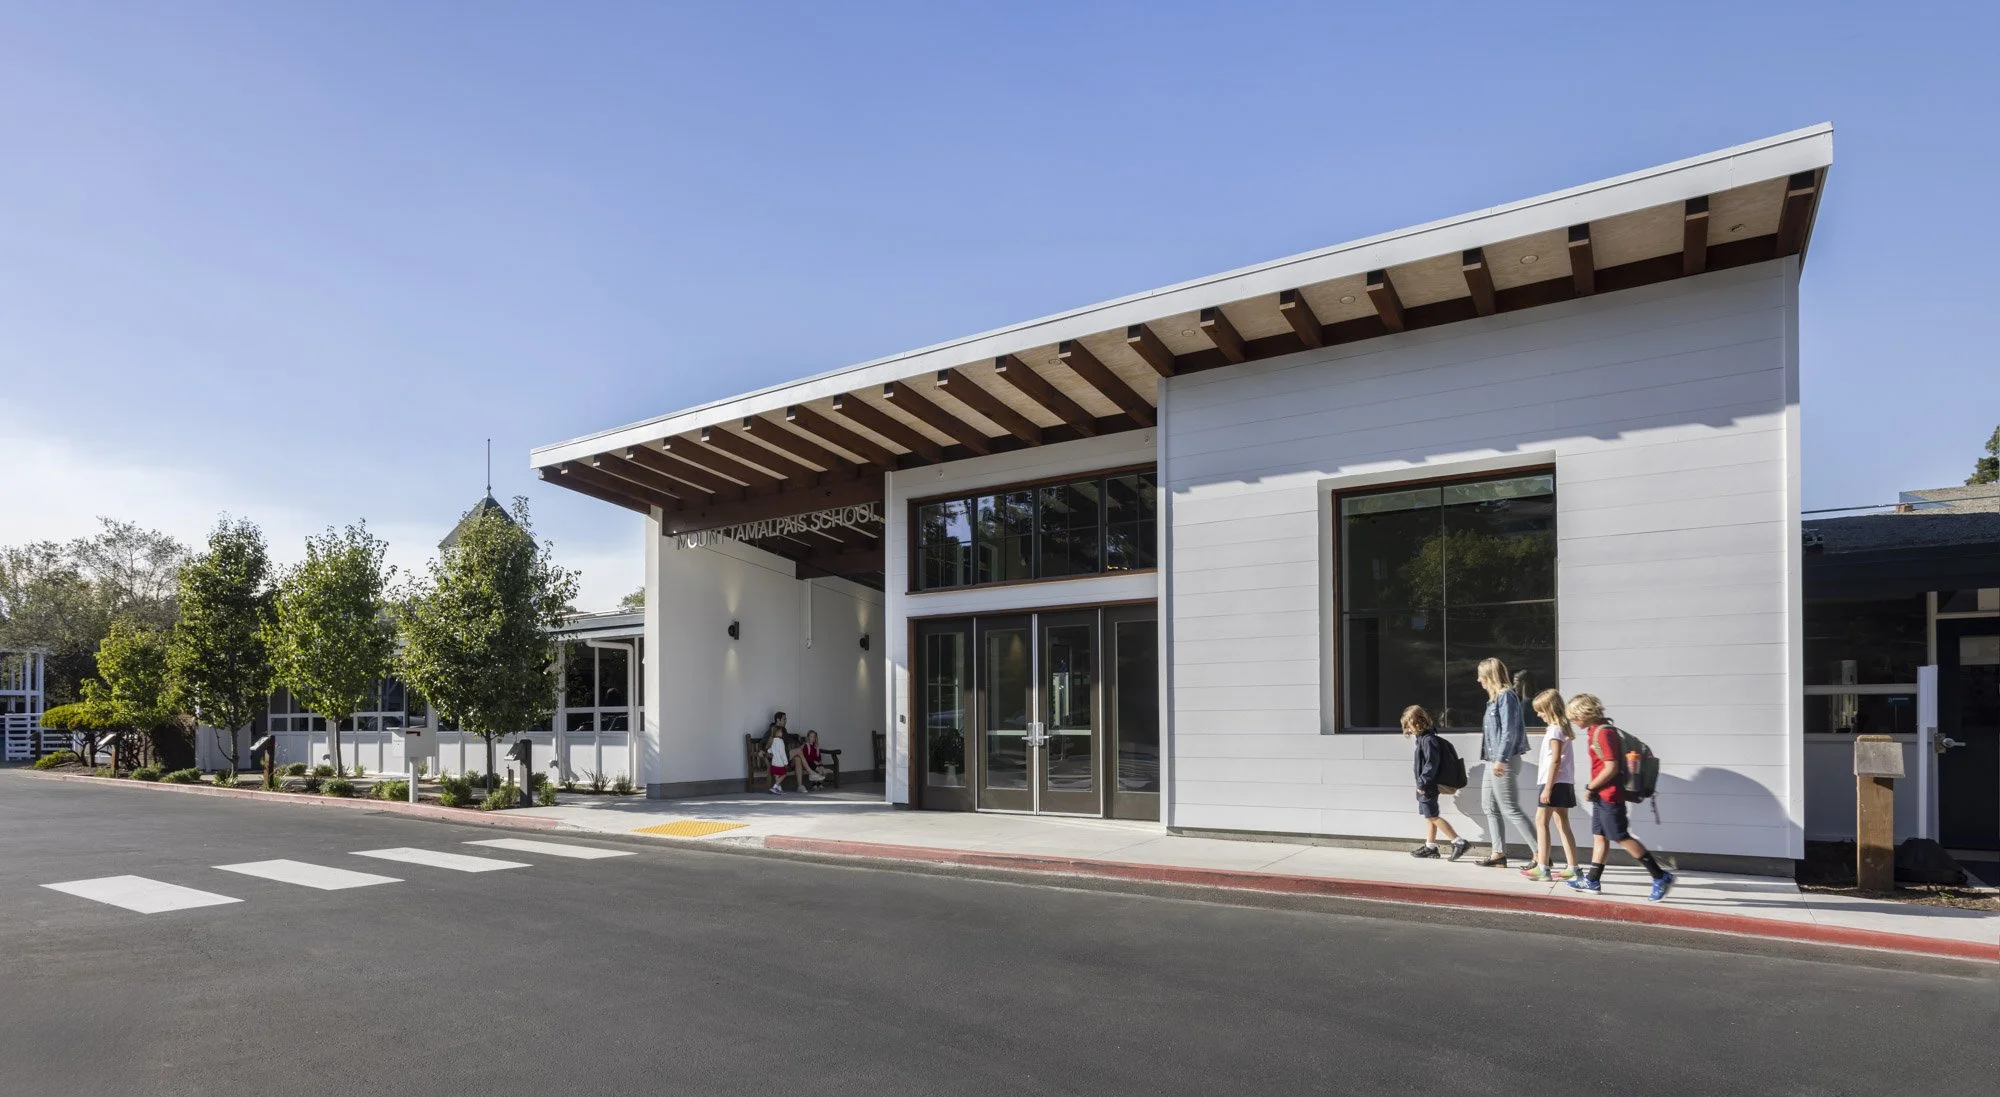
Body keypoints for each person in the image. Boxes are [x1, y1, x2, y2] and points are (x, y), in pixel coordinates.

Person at [1565, 693, 1674, 901]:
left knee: (1620, 836)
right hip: (1601, 794)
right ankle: (1592, 880)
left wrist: (1591, 786)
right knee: (1600, 835)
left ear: (1584, 713)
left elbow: (1611, 767)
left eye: (1574, 717)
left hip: (1610, 795)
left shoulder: (1603, 733)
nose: (1573, 721)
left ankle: (1660, 876)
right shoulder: (1595, 730)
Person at [1475, 657, 1534, 868]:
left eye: (1481, 674)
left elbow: (1509, 730)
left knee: (1510, 809)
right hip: (1493, 760)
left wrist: (1501, 759)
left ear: (1490, 675)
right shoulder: (1493, 699)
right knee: (1489, 807)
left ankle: (1540, 855)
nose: (1478, 679)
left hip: (1503, 760)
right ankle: (1498, 854)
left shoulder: (1506, 697)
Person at [1521, 689, 1580, 882]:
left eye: (1540, 711)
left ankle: (1543, 867)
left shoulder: (1554, 730)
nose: (1538, 715)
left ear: (1549, 709)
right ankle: (1573, 868)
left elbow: (1555, 760)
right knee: (1562, 823)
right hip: (1563, 782)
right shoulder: (1563, 728)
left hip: (1553, 782)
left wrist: (1547, 787)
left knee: (1541, 821)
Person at [1404, 705, 1469, 861]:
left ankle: (1458, 841)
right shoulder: (1423, 739)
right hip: (1427, 784)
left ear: (1418, 722)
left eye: (1409, 725)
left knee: (1432, 816)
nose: (1408, 729)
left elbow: (1431, 765)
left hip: (1428, 785)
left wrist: (1422, 784)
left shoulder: (1428, 740)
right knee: (1430, 815)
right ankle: (1430, 846)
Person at [765, 723, 791, 794]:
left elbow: (769, 750)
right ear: (777, 732)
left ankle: (779, 789)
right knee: (784, 774)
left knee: (777, 775)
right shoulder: (780, 741)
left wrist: (768, 751)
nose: (782, 733)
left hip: (774, 763)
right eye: (781, 731)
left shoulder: (772, 740)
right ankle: (775, 786)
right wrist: (786, 762)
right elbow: (782, 753)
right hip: (780, 763)